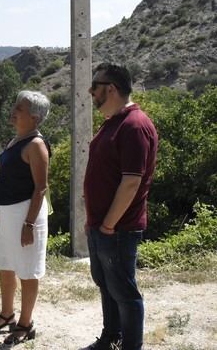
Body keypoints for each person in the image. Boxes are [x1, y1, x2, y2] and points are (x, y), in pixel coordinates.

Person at [82, 63, 158, 350]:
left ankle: (130, 346)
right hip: (102, 226)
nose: (91, 92)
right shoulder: (116, 121)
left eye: (95, 86)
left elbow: (131, 182)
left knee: (124, 292)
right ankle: (110, 338)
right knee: (107, 285)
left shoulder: (134, 125)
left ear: (110, 88)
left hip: (117, 229)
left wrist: (108, 225)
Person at [0, 90, 51, 345]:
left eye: (19, 108)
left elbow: (40, 188)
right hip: (10, 212)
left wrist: (29, 224)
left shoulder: (36, 145)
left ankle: (25, 323)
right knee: (6, 264)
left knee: (28, 269)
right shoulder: (16, 140)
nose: (13, 111)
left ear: (34, 117)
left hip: (26, 214)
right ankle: (7, 314)